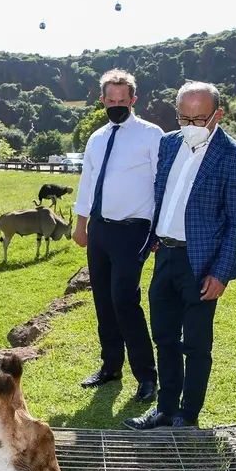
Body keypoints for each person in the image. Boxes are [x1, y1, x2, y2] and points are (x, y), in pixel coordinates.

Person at [123, 81, 236, 430]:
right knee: (164, 337)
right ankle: (165, 409)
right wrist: (155, 236)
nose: (191, 125)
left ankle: (188, 414)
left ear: (218, 115)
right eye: (184, 117)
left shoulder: (235, 157)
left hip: (202, 263)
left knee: (196, 344)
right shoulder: (168, 144)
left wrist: (222, 273)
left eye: (199, 118)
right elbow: (162, 194)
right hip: (165, 256)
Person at [72, 69, 162, 402]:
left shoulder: (152, 135)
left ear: (133, 100)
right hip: (100, 229)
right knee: (103, 301)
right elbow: (87, 182)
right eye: (111, 100)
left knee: (125, 300)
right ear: (102, 100)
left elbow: (160, 184)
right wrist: (81, 224)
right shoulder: (96, 138)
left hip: (133, 228)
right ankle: (111, 367)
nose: (116, 105)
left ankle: (147, 376)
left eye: (122, 101)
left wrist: (158, 228)